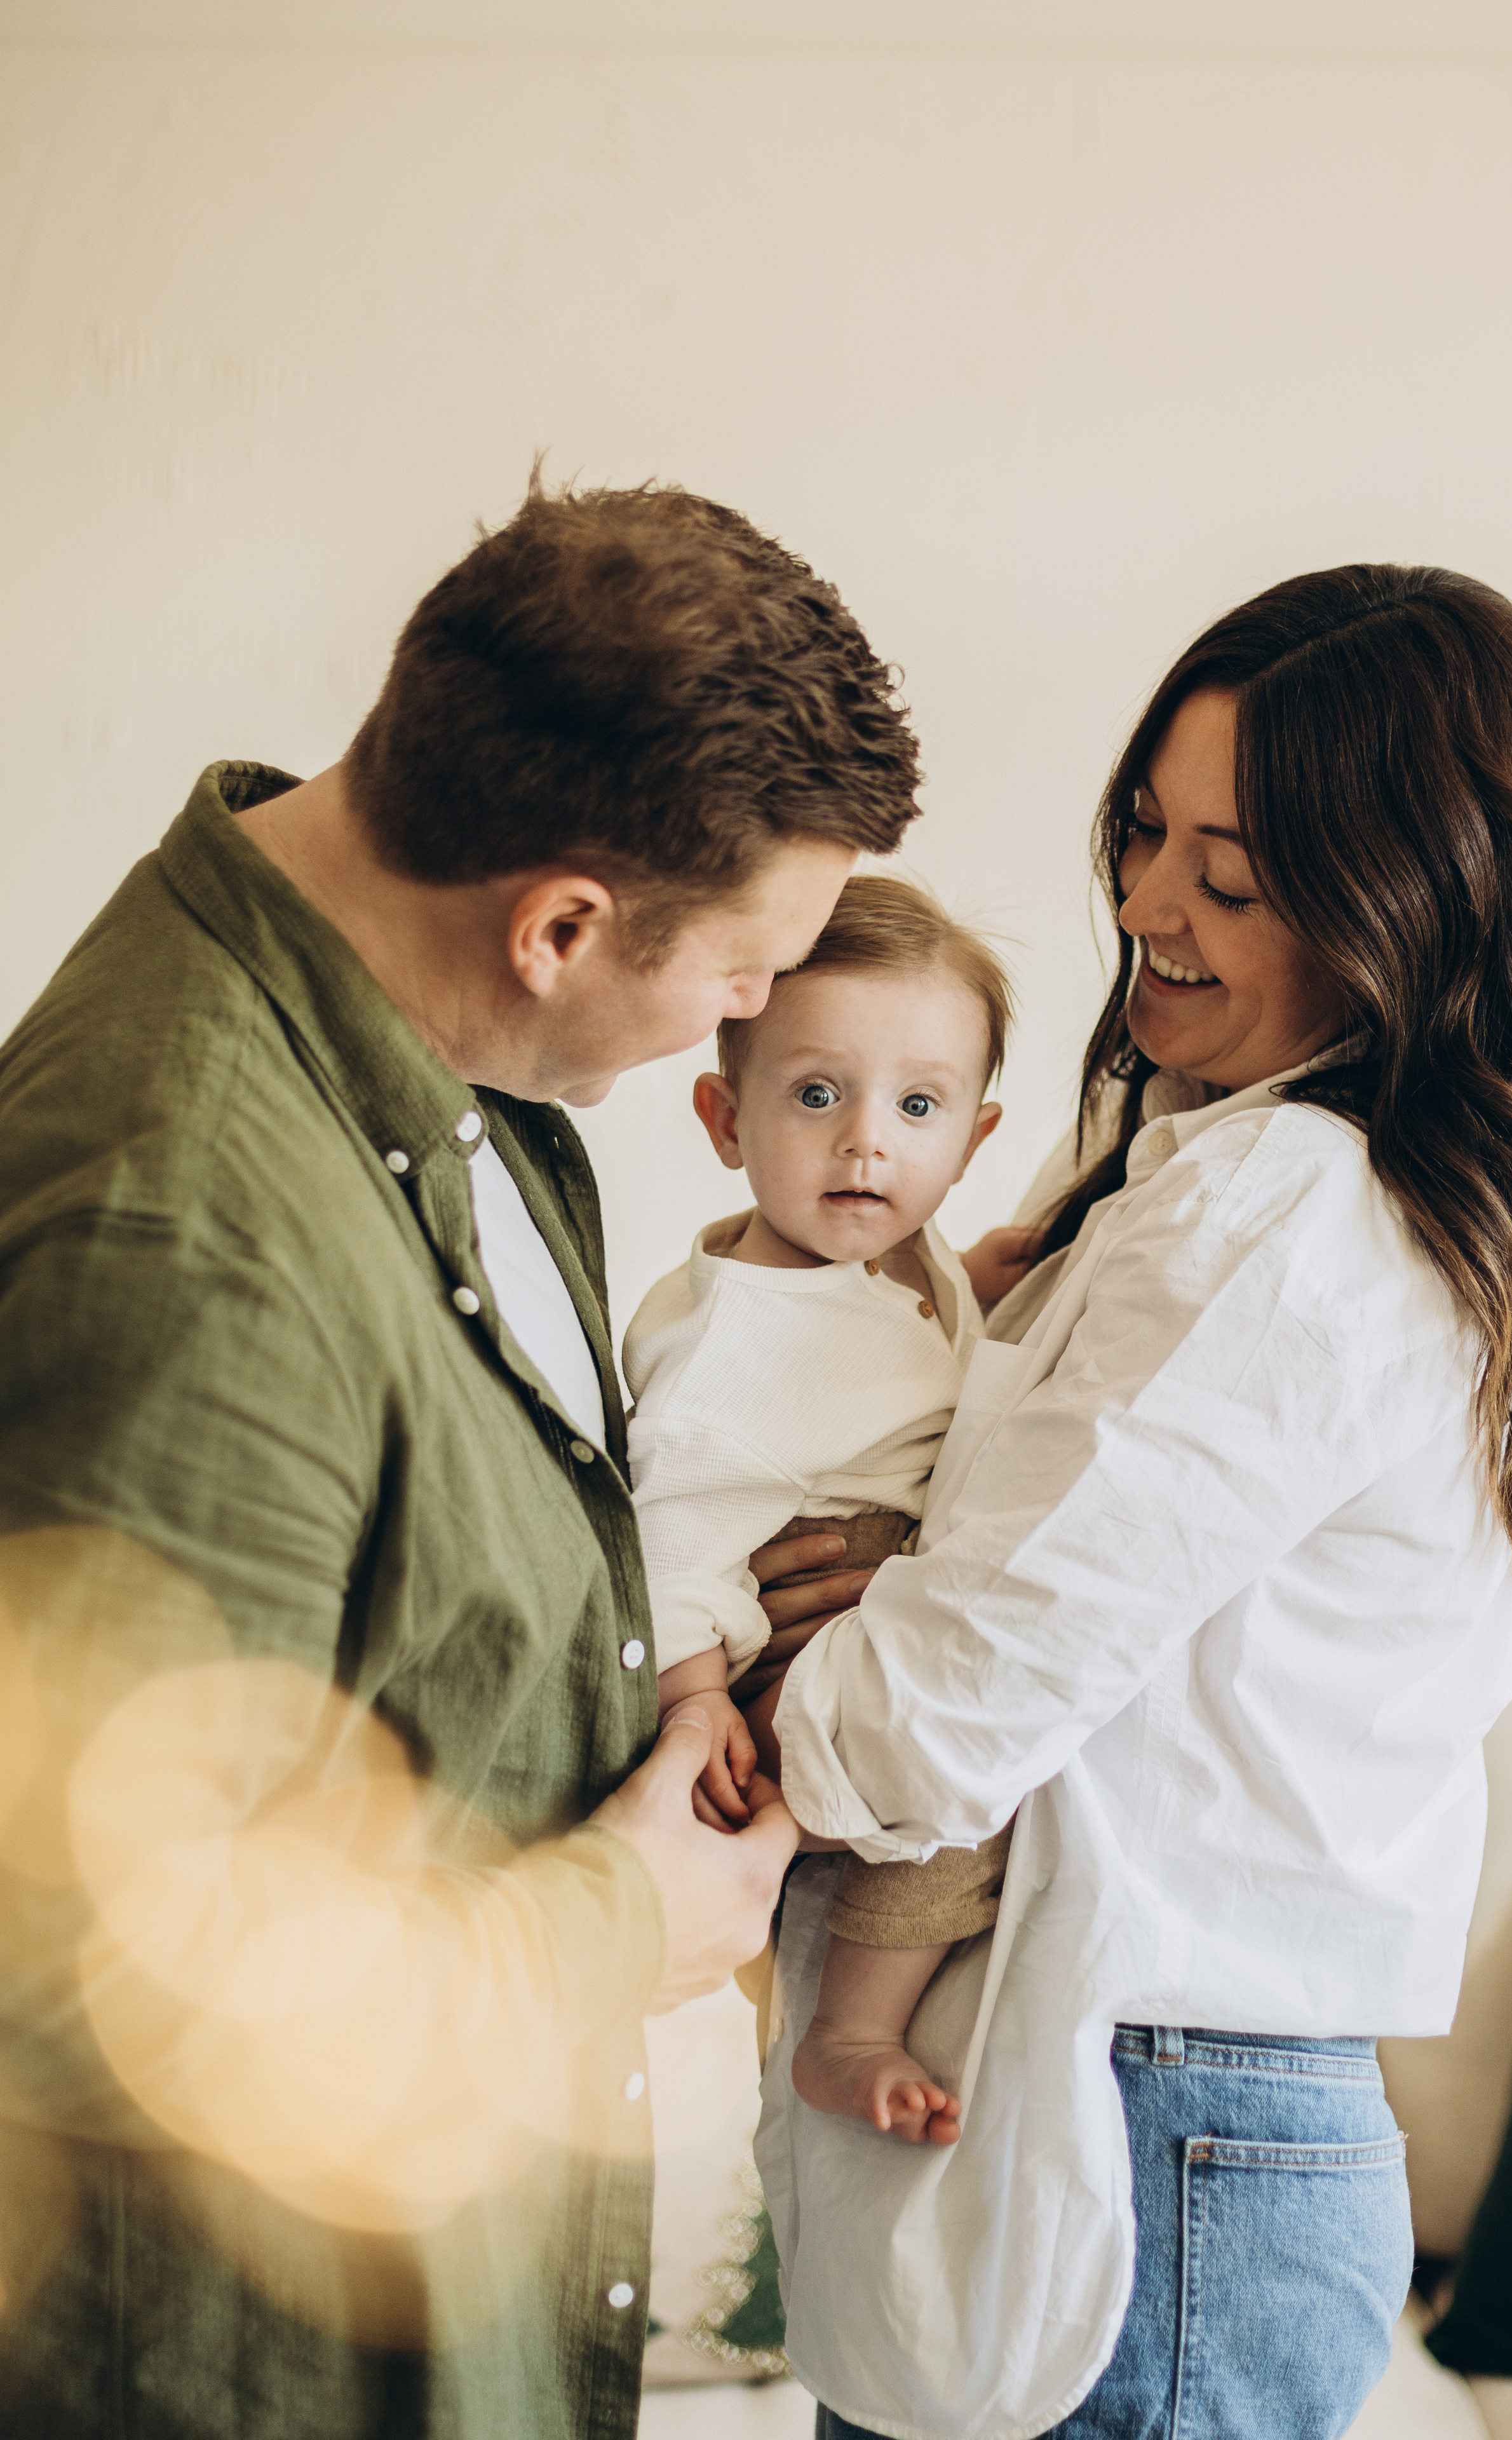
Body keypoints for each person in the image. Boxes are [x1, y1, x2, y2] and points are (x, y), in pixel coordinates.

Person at [0, 476, 922, 2440]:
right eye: (748, 968)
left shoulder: (467, 1085)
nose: (756, 1011)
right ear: (563, 924)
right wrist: (623, 1922)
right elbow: (75, 1975)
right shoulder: (183, 1226)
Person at [744, 564, 1512, 2440]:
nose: (1148, 908)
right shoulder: (1216, 1166)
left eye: (1231, 877)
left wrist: (748, 1688)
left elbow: (939, 1710)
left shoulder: (1283, 1209)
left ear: (1423, 903)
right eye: (1147, 834)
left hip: (1148, 2127)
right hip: (1175, 2128)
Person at [622, 875, 1009, 2143]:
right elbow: (666, 1521)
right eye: (814, 1095)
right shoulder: (730, 1340)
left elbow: (925, 1320)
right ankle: (850, 2026)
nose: (865, 1143)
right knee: (957, 1799)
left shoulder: (887, 1249)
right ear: (723, 1118)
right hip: (796, 1642)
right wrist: (689, 1697)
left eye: (914, 1106)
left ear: (971, 1136)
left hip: (876, 1588)